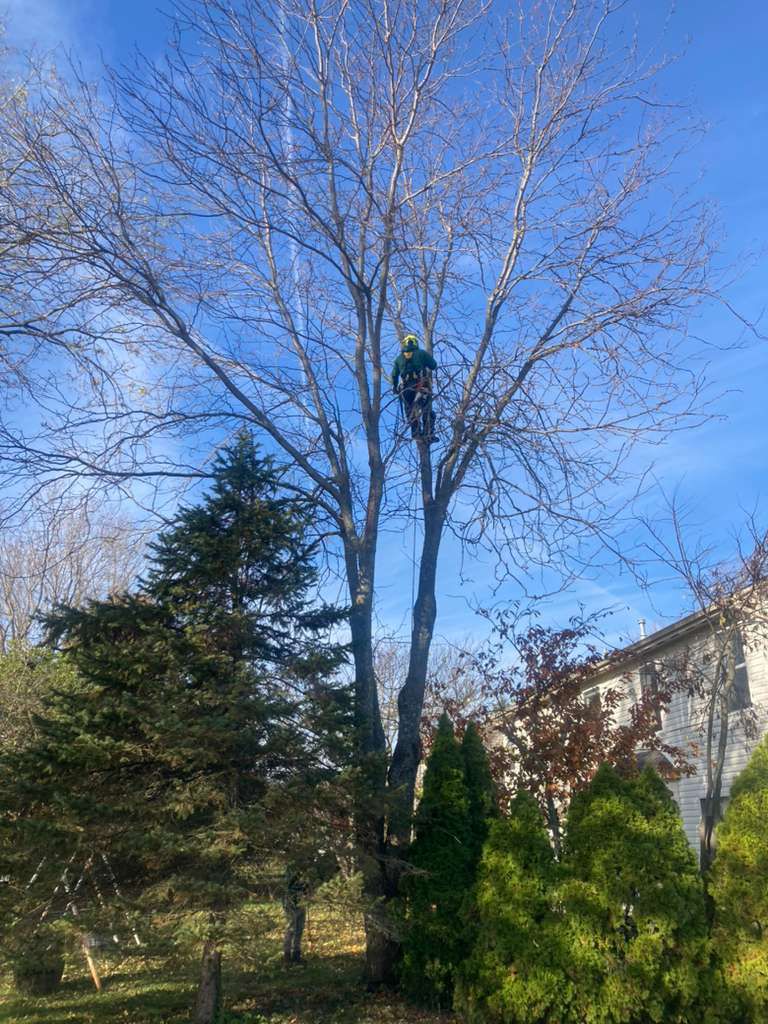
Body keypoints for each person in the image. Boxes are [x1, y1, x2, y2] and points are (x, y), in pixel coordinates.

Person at [391, 334, 437, 440]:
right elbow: (433, 365)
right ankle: (428, 434)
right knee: (426, 409)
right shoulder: (421, 353)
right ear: (415, 343)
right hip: (421, 386)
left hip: (406, 389)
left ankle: (416, 433)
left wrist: (394, 387)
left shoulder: (399, 359)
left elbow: (394, 375)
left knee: (410, 411)